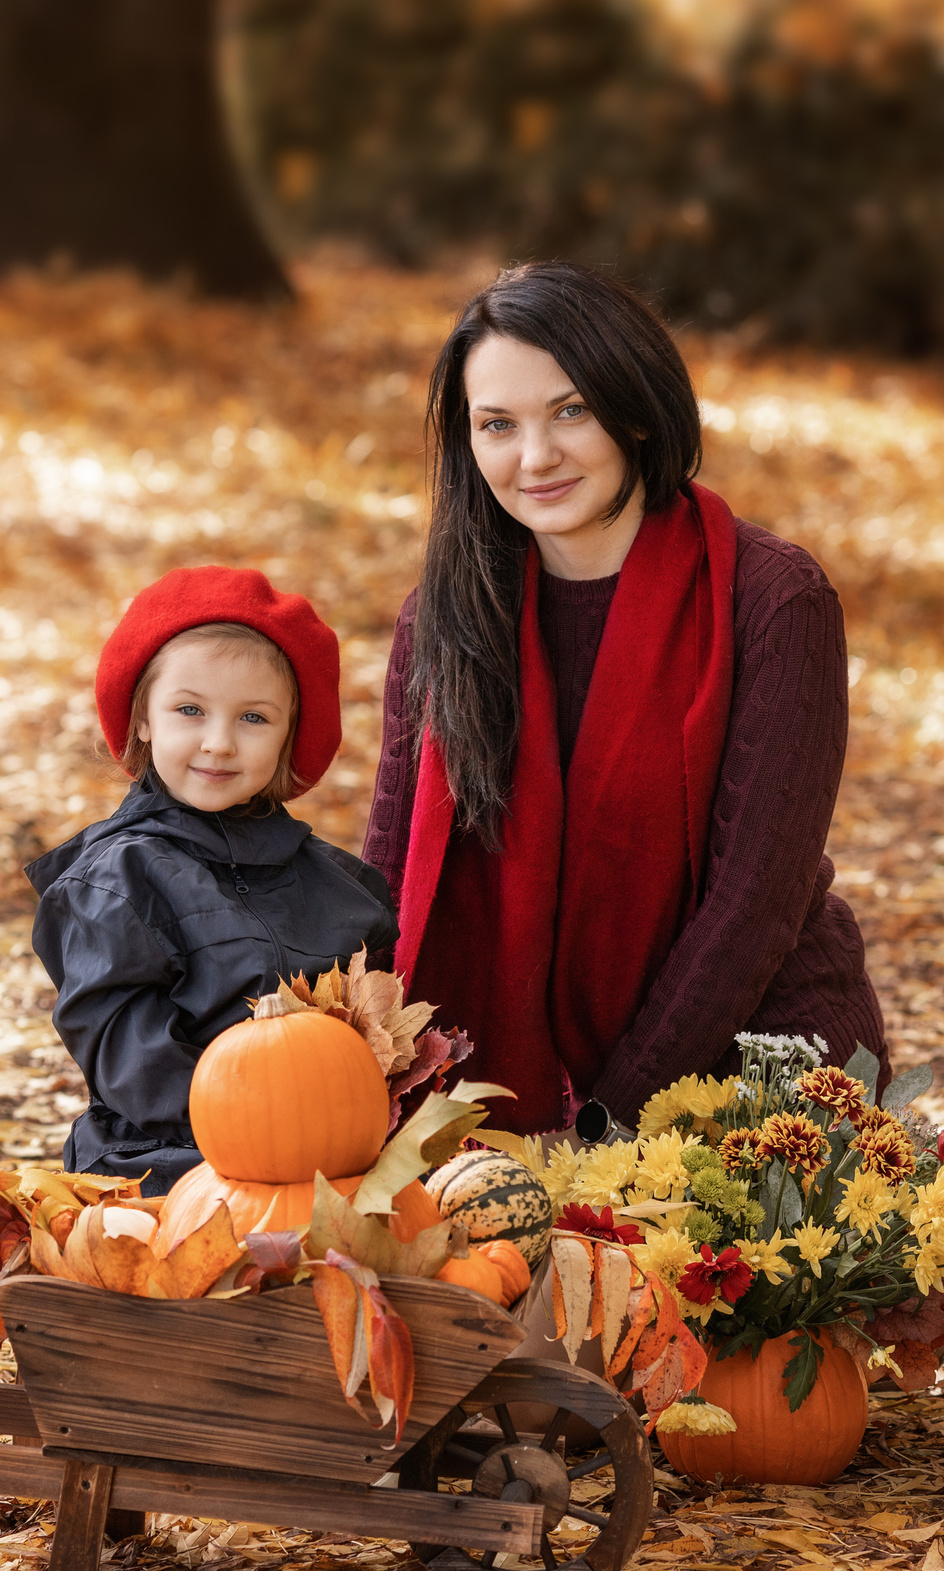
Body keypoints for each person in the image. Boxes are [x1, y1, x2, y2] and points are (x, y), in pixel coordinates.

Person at [361, 260, 887, 1139]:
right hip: (496, 1092)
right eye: (498, 425)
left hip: (754, 1074)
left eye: (572, 411)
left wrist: (604, 1126)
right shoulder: (447, 618)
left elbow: (752, 908)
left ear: (637, 407)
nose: (536, 458)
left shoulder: (773, 602)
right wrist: (345, 1065)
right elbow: (385, 874)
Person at [28, 567, 397, 1190]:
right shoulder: (117, 880)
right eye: (190, 710)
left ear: (289, 736)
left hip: (336, 1154)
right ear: (143, 718)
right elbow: (128, 1056)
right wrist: (261, 1130)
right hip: (170, 1158)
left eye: (254, 718)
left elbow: (373, 1035)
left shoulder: (340, 886)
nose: (219, 743)